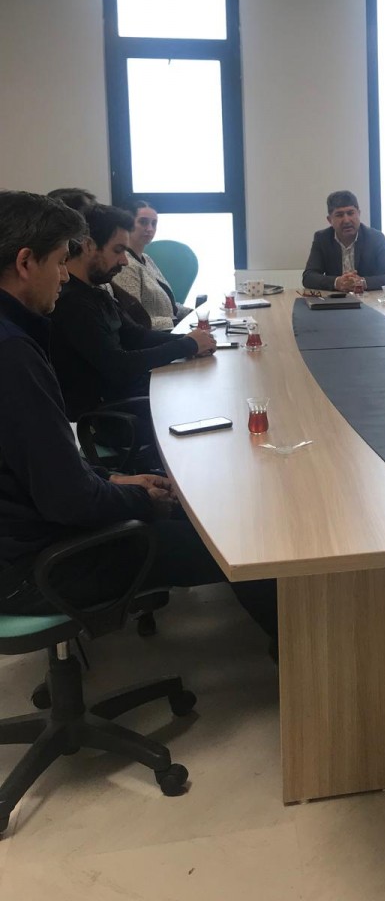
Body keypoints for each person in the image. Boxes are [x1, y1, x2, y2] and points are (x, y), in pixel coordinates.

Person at [0, 191, 275, 638]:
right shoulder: (13, 354)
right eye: (59, 262)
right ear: (26, 263)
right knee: (240, 540)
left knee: (202, 510)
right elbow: (69, 500)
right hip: (39, 567)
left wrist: (115, 479)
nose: (64, 276)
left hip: (27, 538)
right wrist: (141, 499)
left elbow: (42, 471)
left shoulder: (15, 337)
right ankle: (311, 670)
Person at [49, 203, 216, 420]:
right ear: (89, 245)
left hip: (128, 398)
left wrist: (192, 340)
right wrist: (186, 345)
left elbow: (137, 336)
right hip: (107, 416)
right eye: (118, 250)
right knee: (203, 401)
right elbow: (118, 366)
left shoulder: (95, 291)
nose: (124, 260)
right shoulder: (72, 303)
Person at [302, 190, 385, 293]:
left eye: (350, 213)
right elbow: (308, 277)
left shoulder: (375, 238)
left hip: (368, 299)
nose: (346, 220)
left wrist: (362, 282)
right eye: (339, 215)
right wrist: (337, 282)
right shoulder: (322, 238)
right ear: (330, 220)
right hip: (336, 299)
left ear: (358, 213)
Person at [114, 199, 191, 330]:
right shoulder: (125, 264)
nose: (150, 229)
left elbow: (170, 306)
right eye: (143, 222)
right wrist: (176, 322)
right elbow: (134, 319)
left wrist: (193, 313)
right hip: (154, 336)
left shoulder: (146, 259)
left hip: (169, 329)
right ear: (127, 224)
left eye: (154, 223)